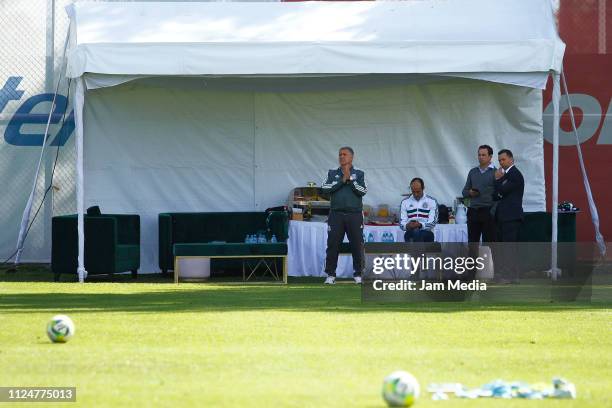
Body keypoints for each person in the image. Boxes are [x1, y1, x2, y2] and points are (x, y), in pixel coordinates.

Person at [321, 146, 367, 285]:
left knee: (357, 245)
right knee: (333, 244)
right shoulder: (332, 173)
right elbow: (325, 189)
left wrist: (351, 180)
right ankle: (330, 274)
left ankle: (358, 274)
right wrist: (342, 180)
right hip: (336, 215)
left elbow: (363, 190)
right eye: (340, 154)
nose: (341, 156)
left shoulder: (359, 174)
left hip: (354, 215)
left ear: (351, 157)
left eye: (344, 154)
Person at [493, 149, 525, 282]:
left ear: (511, 159)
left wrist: (497, 180)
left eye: (503, 159)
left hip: (511, 216)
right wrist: (499, 186)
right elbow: (496, 195)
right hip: (504, 216)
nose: (501, 162)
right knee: (506, 246)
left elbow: (502, 190)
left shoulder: (514, 174)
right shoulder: (507, 175)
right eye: (499, 160)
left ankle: (510, 275)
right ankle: (512, 274)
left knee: (509, 247)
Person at [462, 145, 497, 243]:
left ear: (490, 157)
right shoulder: (473, 172)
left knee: (489, 243)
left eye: (483, 155)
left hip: (487, 211)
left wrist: (492, 212)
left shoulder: (495, 172)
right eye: (479, 155)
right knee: (472, 244)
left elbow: (499, 195)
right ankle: (473, 259)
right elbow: (464, 191)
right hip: (473, 212)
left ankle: (488, 259)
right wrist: (470, 192)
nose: (480, 157)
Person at [400, 178, 438, 242]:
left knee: (417, 232)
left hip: (427, 232)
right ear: (411, 189)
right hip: (410, 232)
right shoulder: (405, 202)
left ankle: (416, 251)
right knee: (415, 232)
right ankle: (419, 251)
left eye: (418, 192)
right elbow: (401, 224)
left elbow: (432, 223)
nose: (415, 194)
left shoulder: (432, 201)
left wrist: (420, 225)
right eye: (413, 191)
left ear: (423, 188)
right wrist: (407, 225)